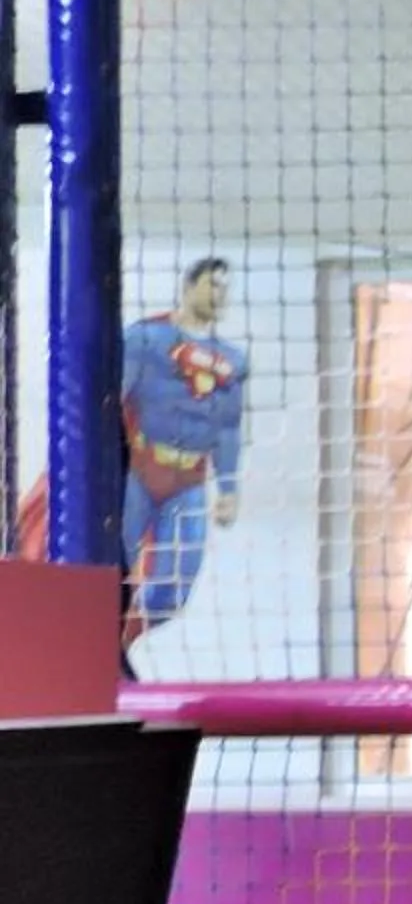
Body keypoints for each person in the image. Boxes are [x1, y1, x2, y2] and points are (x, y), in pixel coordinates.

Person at [120, 256, 249, 635]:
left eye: (225, 287)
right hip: (140, 472)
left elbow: (227, 428)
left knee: (173, 589)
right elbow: (114, 399)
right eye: (212, 284)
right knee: (109, 570)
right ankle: (96, 645)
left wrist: (228, 489)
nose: (219, 294)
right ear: (188, 286)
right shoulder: (146, 339)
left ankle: (122, 642)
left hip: (189, 482)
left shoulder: (233, 361)